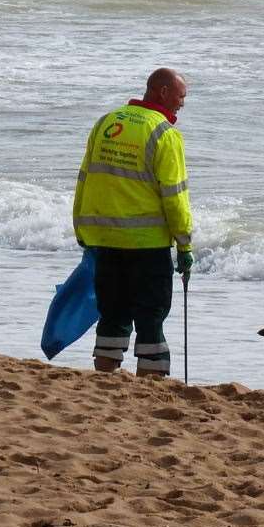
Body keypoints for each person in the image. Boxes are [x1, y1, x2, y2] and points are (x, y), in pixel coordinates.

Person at [72, 67, 194, 377]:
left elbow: (85, 178)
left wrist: (81, 229)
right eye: (181, 96)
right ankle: (151, 383)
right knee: (151, 317)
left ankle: (104, 375)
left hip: (105, 239)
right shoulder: (165, 133)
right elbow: (174, 197)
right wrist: (184, 243)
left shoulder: (107, 122)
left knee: (112, 314)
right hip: (147, 245)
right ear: (163, 92)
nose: (183, 103)